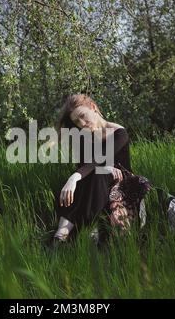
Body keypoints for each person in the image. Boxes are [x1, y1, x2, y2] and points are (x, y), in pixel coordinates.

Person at [51, 94, 133, 243]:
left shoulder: (119, 133)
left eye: (83, 116)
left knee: (94, 174)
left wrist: (74, 176)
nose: (82, 123)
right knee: (94, 175)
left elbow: (99, 159)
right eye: (77, 121)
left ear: (93, 107)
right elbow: (85, 166)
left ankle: (75, 231)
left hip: (121, 180)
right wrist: (100, 169)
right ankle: (60, 237)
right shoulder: (83, 136)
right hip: (96, 179)